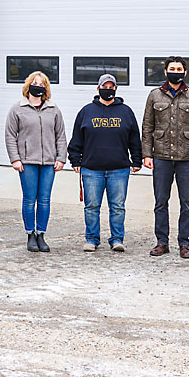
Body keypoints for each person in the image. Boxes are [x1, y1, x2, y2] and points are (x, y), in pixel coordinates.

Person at [142, 56, 189, 258]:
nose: (176, 71)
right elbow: (147, 127)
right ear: (165, 72)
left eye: (179, 68)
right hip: (161, 156)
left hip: (187, 158)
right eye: (172, 68)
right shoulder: (154, 95)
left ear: (185, 73)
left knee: (187, 203)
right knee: (160, 202)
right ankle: (162, 242)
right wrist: (147, 154)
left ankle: (184, 243)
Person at [68, 74, 140, 253]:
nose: (108, 89)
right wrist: (75, 160)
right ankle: (92, 239)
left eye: (111, 86)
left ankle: (117, 239)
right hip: (92, 169)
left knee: (117, 207)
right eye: (104, 86)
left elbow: (134, 139)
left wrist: (137, 159)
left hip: (119, 169)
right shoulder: (86, 111)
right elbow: (77, 138)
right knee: (92, 207)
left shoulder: (126, 111)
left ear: (116, 89)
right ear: (98, 88)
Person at [5, 71, 67, 252]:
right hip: (27, 162)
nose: (38, 86)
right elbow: (10, 135)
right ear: (28, 85)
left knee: (45, 200)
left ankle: (41, 234)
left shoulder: (53, 109)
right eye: (35, 82)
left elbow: (60, 135)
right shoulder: (17, 109)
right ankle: (30, 234)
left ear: (45, 88)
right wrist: (15, 159)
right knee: (29, 200)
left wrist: (61, 158)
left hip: (48, 162)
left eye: (41, 84)